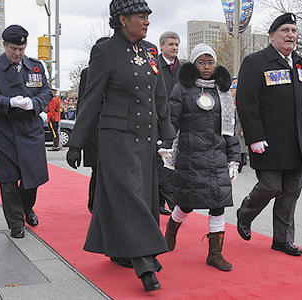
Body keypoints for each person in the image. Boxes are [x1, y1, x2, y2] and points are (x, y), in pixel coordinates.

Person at [66, 0, 175, 292]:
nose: (147, 21)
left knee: (143, 198)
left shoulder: (151, 50)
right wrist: (76, 142)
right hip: (115, 138)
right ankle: (146, 264)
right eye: (142, 16)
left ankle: (119, 248)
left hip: (146, 138)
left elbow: (160, 96)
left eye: (148, 16)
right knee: (130, 199)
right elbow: (90, 98)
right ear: (123, 19)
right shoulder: (104, 51)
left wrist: (168, 130)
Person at [235, 13, 302, 256]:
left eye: (294, 31)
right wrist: (254, 137)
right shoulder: (255, 63)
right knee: (270, 186)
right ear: (272, 35)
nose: (291, 35)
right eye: (285, 30)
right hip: (268, 143)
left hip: (298, 143)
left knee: (290, 192)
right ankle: (245, 212)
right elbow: (246, 103)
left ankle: (282, 240)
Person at [163, 44, 240, 272]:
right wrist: (164, 145)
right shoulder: (182, 89)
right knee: (185, 203)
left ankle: (215, 254)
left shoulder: (223, 92)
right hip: (188, 154)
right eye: (201, 62)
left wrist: (234, 157)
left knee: (218, 204)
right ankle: (171, 230)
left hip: (216, 155)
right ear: (194, 64)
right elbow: (172, 121)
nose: (206, 67)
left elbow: (229, 128)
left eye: (210, 62)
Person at [0, 25, 52, 238]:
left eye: (21, 48)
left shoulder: (36, 67)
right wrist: (9, 102)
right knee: (8, 180)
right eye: (13, 48)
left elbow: (46, 92)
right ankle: (15, 222)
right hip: (4, 132)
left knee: (33, 178)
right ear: (4, 46)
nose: (17, 53)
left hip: (30, 130)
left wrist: (34, 103)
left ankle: (26, 207)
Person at [76, 36, 109, 214]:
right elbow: (83, 103)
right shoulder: (87, 73)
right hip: (95, 128)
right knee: (98, 169)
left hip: (114, 127)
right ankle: (94, 203)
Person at [156, 31, 181, 215]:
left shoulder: (183, 68)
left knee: (172, 163)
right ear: (162, 46)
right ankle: (165, 201)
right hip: (159, 121)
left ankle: (163, 201)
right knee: (161, 163)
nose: (174, 48)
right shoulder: (154, 66)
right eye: (171, 44)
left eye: (177, 44)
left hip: (178, 120)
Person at [232, 77, 248, 172]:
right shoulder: (230, 99)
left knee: (241, 144)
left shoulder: (242, 98)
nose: (234, 90)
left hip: (239, 125)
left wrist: (243, 128)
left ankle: (242, 158)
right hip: (233, 125)